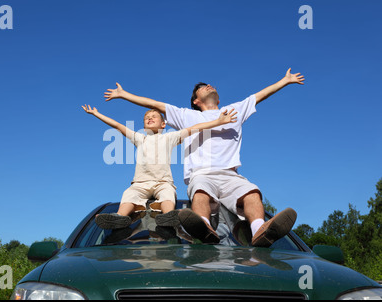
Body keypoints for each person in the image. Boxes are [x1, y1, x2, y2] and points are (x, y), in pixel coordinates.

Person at [103, 68, 305, 246]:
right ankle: (205, 229)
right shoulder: (186, 116)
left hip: (230, 174)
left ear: (218, 99)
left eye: (210, 85)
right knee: (200, 193)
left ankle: (260, 232)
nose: (209, 85)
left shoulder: (234, 110)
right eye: (202, 87)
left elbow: (259, 96)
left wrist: (284, 81)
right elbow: (154, 104)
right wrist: (123, 94)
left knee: (252, 193)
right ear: (196, 101)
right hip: (201, 174)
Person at [82, 104, 238, 230]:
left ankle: (169, 216)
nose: (149, 119)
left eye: (153, 117)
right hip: (140, 183)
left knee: (168, 194)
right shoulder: (139, 138)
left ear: (163, 124)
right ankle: (120, 217)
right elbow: (117, 125)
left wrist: (218, 122)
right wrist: (97, 114)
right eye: (146, 118)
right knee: (129, 195)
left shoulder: (169, 137)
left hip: (163, 182)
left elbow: (194, 128)